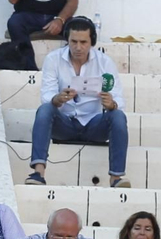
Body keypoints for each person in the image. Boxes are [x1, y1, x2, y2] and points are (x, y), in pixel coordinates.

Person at [26, 17, 128, 189]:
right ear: (67, 39)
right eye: (73, 41)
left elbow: (119, 99)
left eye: (83, 42)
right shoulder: (53, 59)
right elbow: (46, 96)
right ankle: (38, 172)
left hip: (94, 125)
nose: (78, 47)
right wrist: (57, 99)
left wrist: (111, 104)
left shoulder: (105, 62)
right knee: (44, 110)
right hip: (64, 123)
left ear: (92, 42)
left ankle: (116, 178)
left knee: (118, 116)